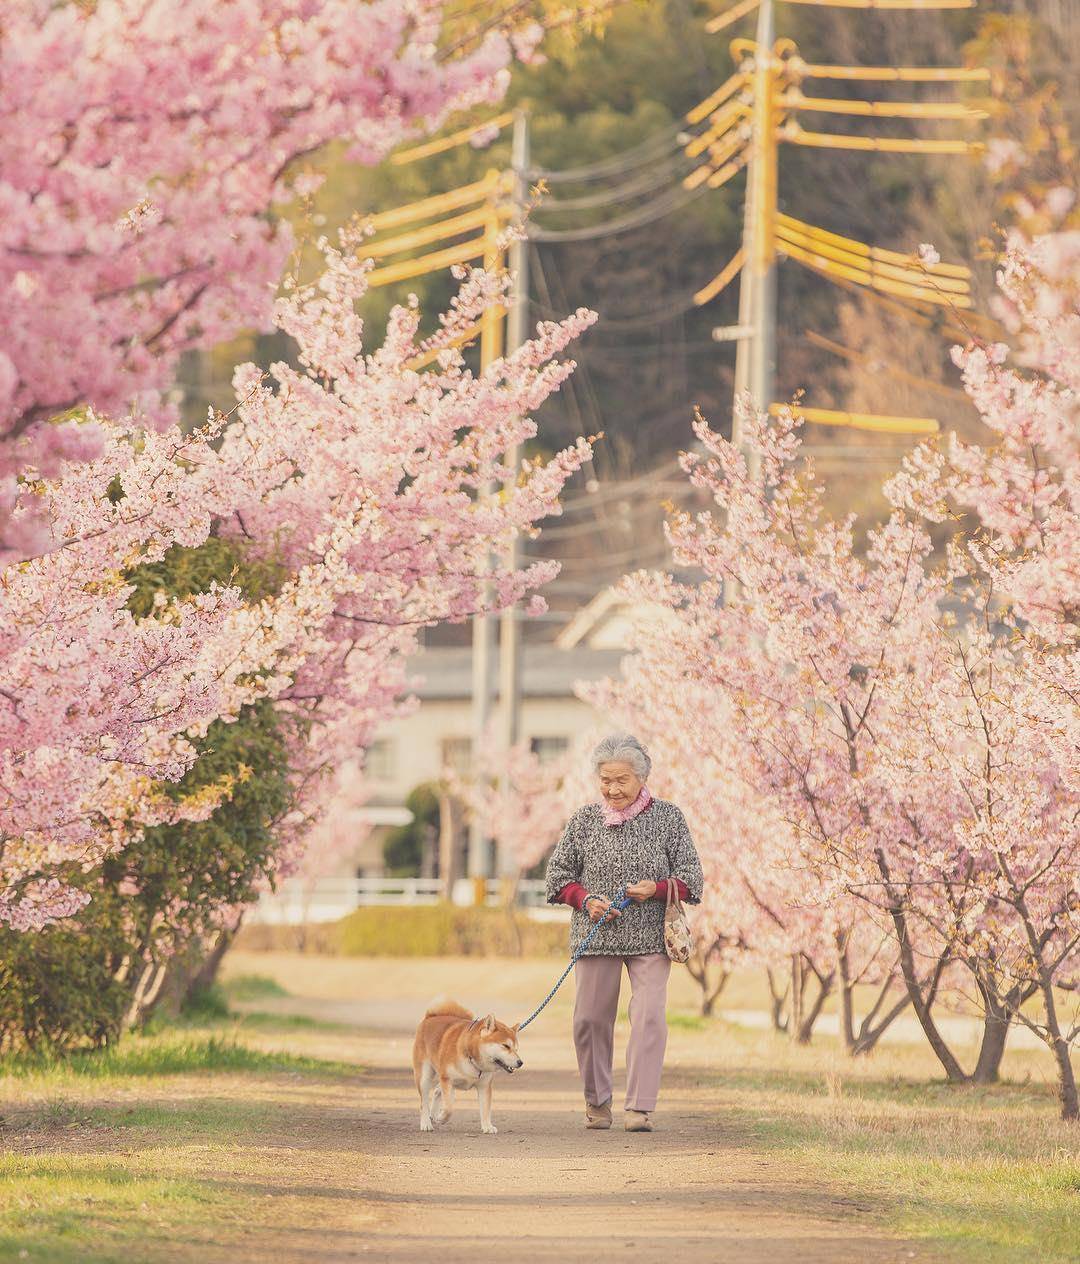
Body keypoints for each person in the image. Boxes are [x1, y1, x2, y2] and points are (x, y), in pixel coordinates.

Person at [545, 732, 703, 1132]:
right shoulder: (584, 820)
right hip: (597, 933)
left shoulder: (669, 818)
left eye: (621, 780)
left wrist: (658, 888)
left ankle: (640, 1107)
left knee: (649, 1015)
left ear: (641, 778)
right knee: (590, 1020)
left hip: (651, 935)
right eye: (605, 780)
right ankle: (597, 1101)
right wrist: (585, 899)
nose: (612, 788)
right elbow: (558, 877)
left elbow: (692, 878)